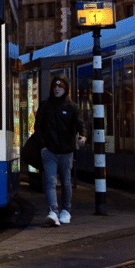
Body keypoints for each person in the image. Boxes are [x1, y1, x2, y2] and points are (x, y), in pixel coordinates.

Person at [34, 75, 86, 226]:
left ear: (66, 89)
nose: (57, 89)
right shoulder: (45, 105)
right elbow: (38, 127)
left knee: (65, 182)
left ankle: (66, 211)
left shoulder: (72, 107)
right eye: (55, 87)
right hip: (49, 151)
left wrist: (83, 136)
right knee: (50, 181)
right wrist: (43, 146)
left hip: (66, 152)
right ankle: (53, 212)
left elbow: (80, 124)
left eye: (61, 87)